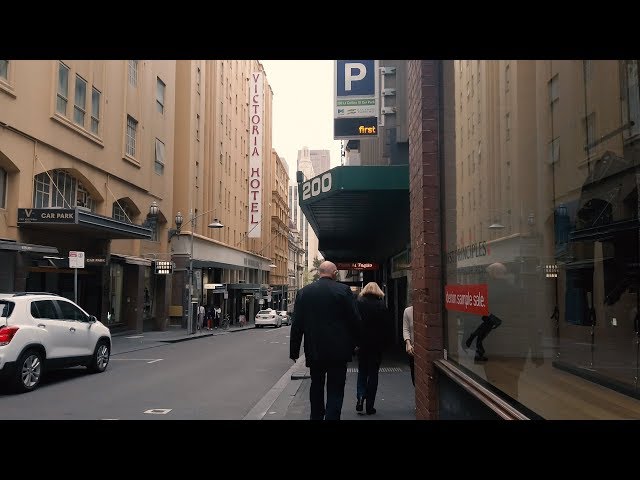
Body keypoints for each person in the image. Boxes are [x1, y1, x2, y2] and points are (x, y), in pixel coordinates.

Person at [290, 260, 362, 420]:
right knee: (336, 388)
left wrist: (294, 351)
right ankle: (332, 417)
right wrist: (357, 343)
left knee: (316, 385)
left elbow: (297, 324)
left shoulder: (304, 292)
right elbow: (354, 320)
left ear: (320, 272)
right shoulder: (343, 290)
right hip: (339, 351)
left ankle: (316, 416)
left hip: (314, 350)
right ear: (335, 273)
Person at [355, 281, 392, 415]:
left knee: (362, 372)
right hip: (376, 347)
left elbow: (354, 324)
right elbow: (387, 328)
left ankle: (360, 397)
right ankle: (370, 406)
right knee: (373, 374)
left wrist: (355, 343)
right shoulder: (381, 306)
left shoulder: (358, 304)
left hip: (362, 345)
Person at [403, 305, 415, 386]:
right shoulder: (408, 311)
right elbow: (406, 329)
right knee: (414, 378)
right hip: (413, 350)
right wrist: (408, 343)